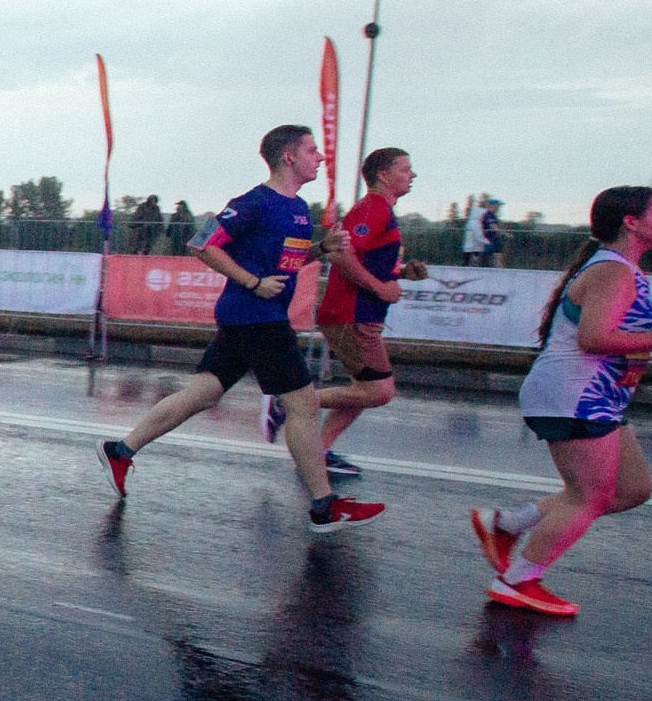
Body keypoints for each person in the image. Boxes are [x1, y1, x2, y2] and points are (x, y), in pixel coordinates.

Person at [99, 126, 384, 532]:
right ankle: (325, 507)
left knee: (203, 393)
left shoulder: (299, 209)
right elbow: (201, 244)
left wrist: (322, 250)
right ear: (288, 157)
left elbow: (283, 265)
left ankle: (120, 450)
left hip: (248, 318)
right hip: (257, 318)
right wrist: (252, 282)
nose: (320, 157)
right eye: (311, 150)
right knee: (302, 406)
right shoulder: (254, 202)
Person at [470, 186, 652, 616]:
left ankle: (505, 524)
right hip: (573, 396)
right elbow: (594, 338)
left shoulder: (623, 270)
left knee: (632, 489)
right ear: (631, 222)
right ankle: (518, 580)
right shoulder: (615, 271)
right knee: (589, 497)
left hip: (597, 399)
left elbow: (607, 324)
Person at [285, 146, 432, 479]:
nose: (412, 176)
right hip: (351, 314)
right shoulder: (372, 209)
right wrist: (381, 288)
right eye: (405, 169)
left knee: (362, 392)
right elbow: (339, 255)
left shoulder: (380, 211)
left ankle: (316, 452)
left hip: (357, 314)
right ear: (383, 174)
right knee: (379, 392)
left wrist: (404, 271)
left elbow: (368, 261)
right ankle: (291, 402)